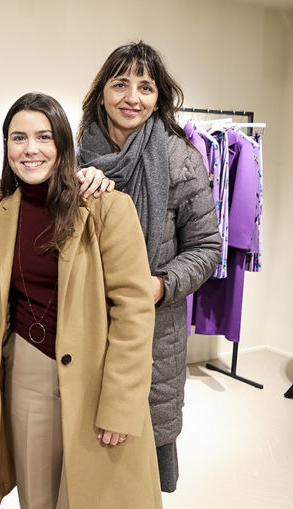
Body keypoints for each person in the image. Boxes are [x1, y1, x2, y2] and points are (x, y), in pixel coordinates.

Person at [0, 92, 163, 509]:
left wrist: (121, 403)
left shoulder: (106, 207)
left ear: (62, 144)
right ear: (6, 146)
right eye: (19, 138)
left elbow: (133, 310)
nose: (31, 149)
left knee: (95, 495)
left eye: (44, 137)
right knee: (38, 496)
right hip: (26, 371)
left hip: (97, 375)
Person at [76, 41, 222, 492]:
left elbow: (207, 247)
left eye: (145, 87)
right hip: (85, 327)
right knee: (86, 462)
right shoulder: (74, 159)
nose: (132, 98)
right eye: (120, 84)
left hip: (155, 333)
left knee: (140, 472)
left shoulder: (181, 159)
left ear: (159, 98)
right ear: (102, 92)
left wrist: (159, 285)